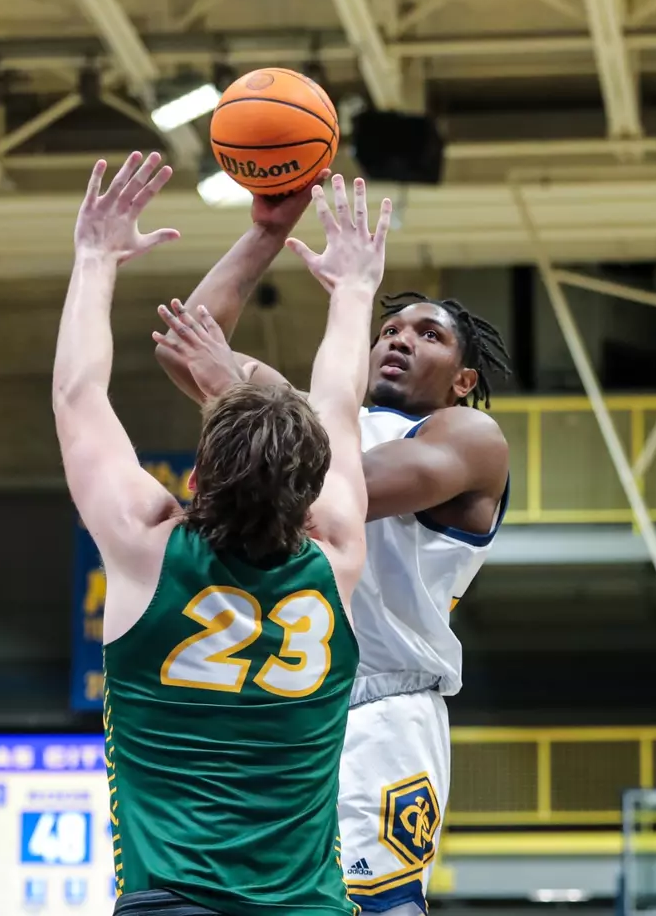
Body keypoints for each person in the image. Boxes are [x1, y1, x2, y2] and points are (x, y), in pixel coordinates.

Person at [154, 185, 512, 916]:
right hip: (281, 705)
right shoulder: (316, 415)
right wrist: (264, 231)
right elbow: (189, 343)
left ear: (463, 380)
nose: (399, 338)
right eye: (389, 328)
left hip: (380, 711)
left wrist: (241, 399)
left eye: (428, 335)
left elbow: (332, 498)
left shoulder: (465, 437)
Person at [53, 151, 394, 916]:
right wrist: (353, 291)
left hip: (173, 903)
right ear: (311, 492)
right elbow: (339, 403)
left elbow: (78, 394)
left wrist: (95, 256)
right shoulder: (335, 549)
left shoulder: (145, 547)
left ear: (193, 480)